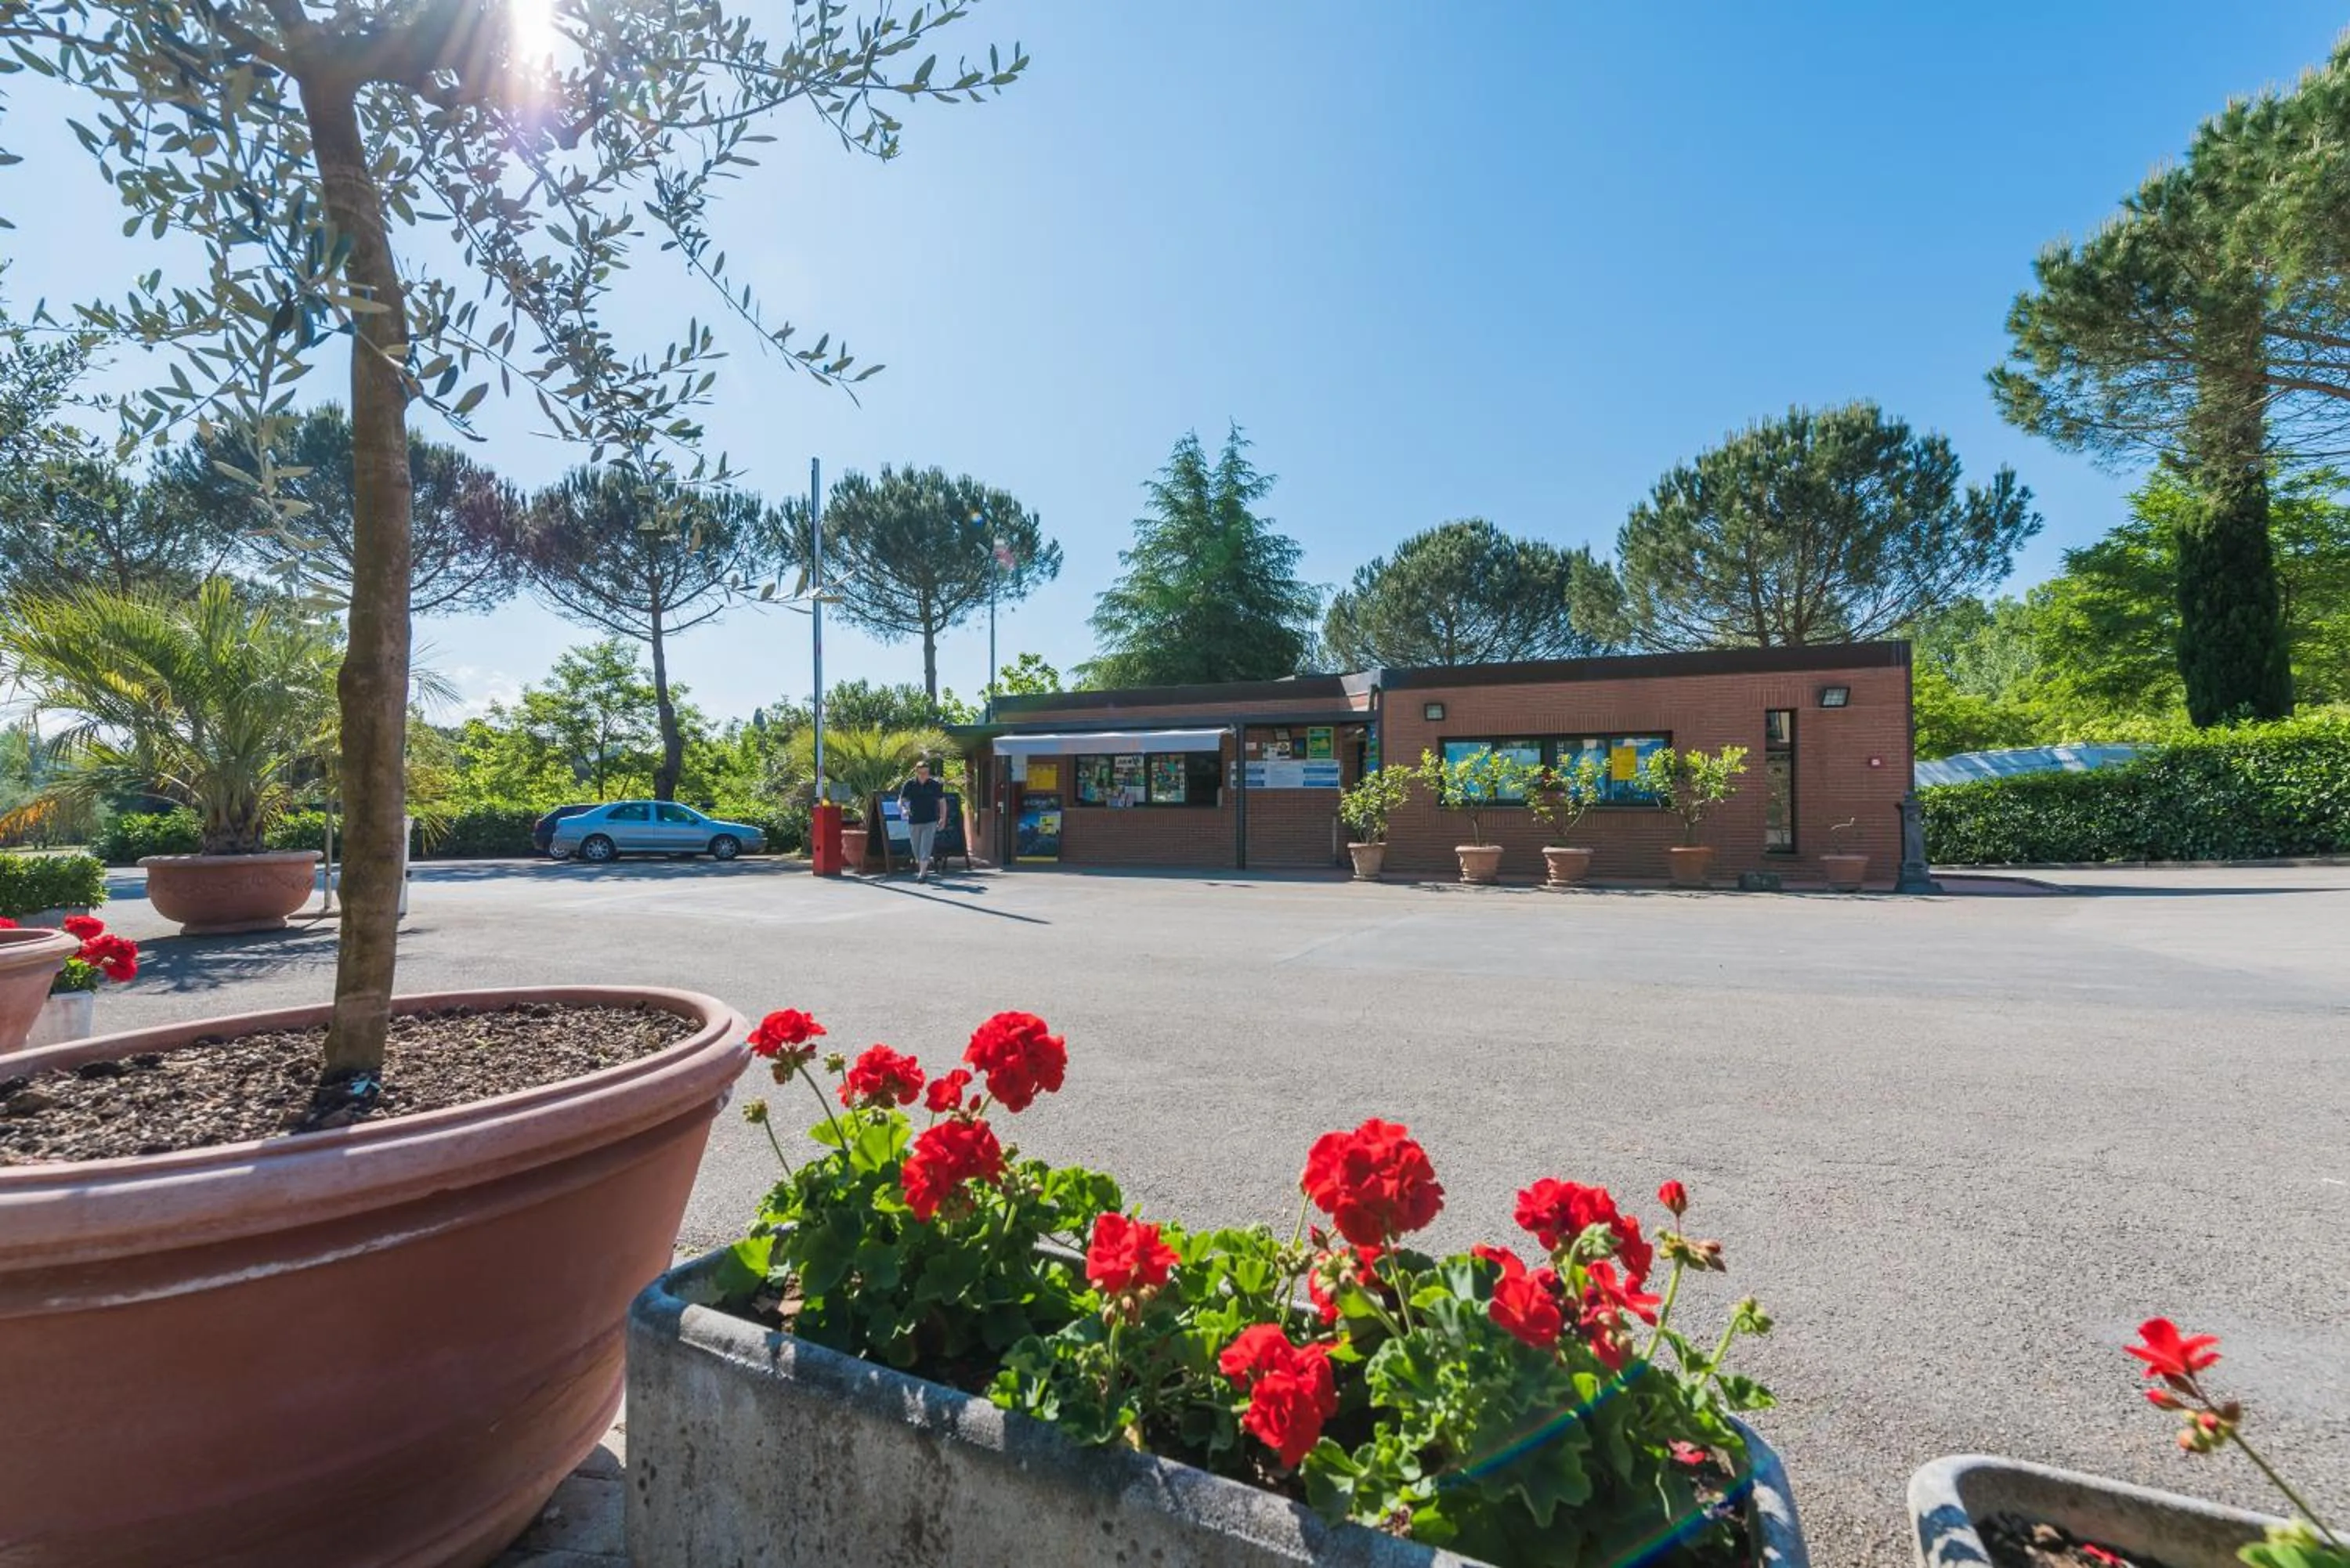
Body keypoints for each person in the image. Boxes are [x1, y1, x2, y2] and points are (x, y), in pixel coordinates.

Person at [897, 757, 949, 881]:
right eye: (921, 773)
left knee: (926, 846)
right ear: (916, 772)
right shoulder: (910, 784)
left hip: (930, 820)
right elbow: (901, 801)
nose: (924, 775)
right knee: (916, 849)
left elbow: (942, 802)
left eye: (926, 772)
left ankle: (922, 872)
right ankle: (924, 867)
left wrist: (943, 818)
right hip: (914, 820)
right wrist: (903, 809)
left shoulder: (935, 785)